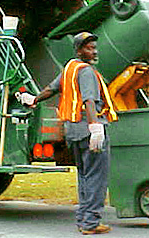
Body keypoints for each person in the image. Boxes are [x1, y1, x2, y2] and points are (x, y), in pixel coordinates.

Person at [29, 31, 118, 234]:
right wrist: (95, 127)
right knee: (97, 177)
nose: (94, 51)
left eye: (94, 47)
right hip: (88, 129)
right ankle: (90, 223)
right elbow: (89, 100)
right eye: (89, 48)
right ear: (79, 50)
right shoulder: (86, 71)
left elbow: (51, 89)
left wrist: (34, 99)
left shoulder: (69, 68)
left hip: (72, 130)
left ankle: (83, 219)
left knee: (85, 176)